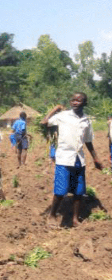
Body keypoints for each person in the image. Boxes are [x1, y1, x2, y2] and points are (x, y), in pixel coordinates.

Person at [41, 93, 103, 228]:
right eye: (73, 100)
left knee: (79, 191)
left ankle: (75, 219)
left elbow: (88, 141)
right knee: (60, 190)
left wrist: (96, 158)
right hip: (64, 158)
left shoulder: (86, 120)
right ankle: (52, 215)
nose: (75, 102)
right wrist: (55, 109)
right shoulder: (62, 116)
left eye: (78, 100)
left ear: (84, 103)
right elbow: (44, 122)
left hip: (78, 159)